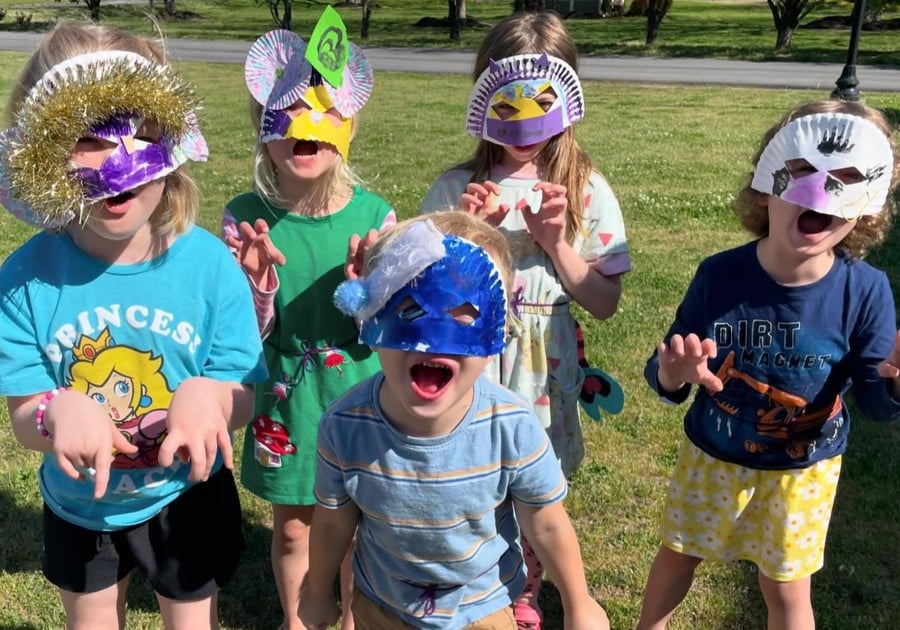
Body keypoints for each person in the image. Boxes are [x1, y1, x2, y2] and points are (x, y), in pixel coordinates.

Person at [0, 22, 268, 629]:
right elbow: (24, 414)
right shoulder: (24, 280)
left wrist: (216, 397)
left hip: (187, 493)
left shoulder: (209, 266)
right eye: (87, 137)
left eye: (141, 132)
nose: (118, 161)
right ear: (40, 152)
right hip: (80, 504)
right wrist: (53, 412)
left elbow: (242, 385)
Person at [636, 99, 900, 630]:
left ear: (868, 205)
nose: (823, 189)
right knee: (679, 552)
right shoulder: (719, 276)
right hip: (713, 454)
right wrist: (673, 373)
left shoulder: (866, 291)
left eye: (849, 178)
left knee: (786, 588)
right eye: (803, 170)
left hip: (803, 471)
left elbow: (875, 400)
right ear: (768, 181)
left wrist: (895, 384)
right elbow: (666, 370)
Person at [418, 12, 630, 628]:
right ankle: (474, 580)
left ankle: (526, 591)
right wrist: (468, 232)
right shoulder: (457, 186)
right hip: (475, 359)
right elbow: (430, 296)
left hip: (545, 362)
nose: (524, 126)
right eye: (505, 102)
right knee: (469, 475)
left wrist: (558, 244)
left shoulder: (584, 189)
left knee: (537, 484)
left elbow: (605, 300)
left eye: (540, 103)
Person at [298, 211, 609, 630]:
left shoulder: (512, 426)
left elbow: (547, 522)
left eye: (465, 316)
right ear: (369, 316)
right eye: (408, 309)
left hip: (482, 609)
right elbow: (334, 521)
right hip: (382, 607)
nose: (434, 336)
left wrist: (579, 602)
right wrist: (317, 591)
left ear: (495, 336)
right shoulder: (344, 426)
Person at [221, 13, 395, 630]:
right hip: (286, 395)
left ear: (346, 127)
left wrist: (362, 290)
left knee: (356, 527)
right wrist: (257, 282)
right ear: (264, 132)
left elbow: (388, 324)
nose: (305, 127)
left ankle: (350, 619)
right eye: (288, 113)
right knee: (295, 527)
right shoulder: (244, 217)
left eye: (322, 114)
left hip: (359, 390)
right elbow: (241, 331)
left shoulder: (376, 215)